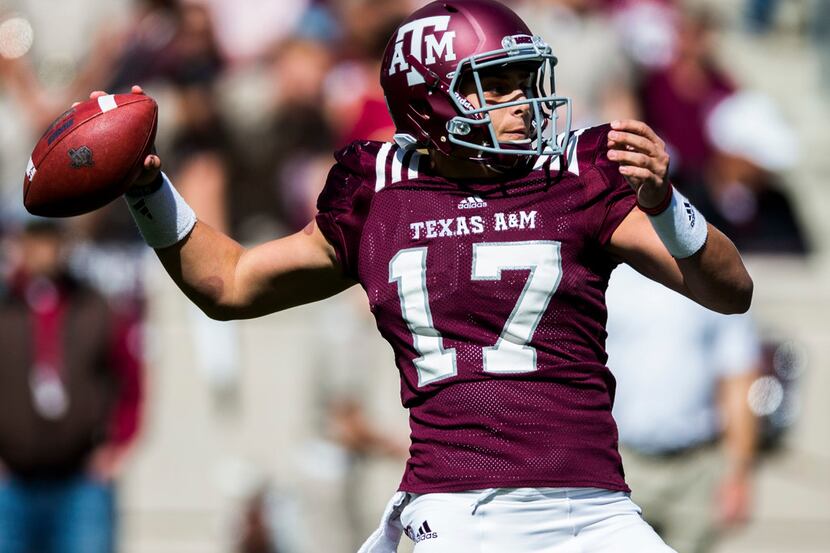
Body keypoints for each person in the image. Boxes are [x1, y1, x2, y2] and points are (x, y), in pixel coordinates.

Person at [81, 1, 752, 551]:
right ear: (432, 102)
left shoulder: (573, 176)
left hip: (597, 507)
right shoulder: (379, 193)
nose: (524, 103)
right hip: (462, 513)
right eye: (497, 86)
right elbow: (230, 283)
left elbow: (729, 290)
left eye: (524, 79)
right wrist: (149, 191)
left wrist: (666, 205)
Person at [0, 220, 143, 553]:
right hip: (13, 482)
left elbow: (130, 380)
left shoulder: (96, 307)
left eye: (50, 241)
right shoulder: (5, 307)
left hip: (80, 481)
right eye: (32, 240)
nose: (41, 251)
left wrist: (116, 447)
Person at [606, 263, 761, 553]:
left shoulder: (714, 269)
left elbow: (738, 376)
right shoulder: (609, 272)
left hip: (696, 467)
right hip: (621, 461)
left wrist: (739, 474)